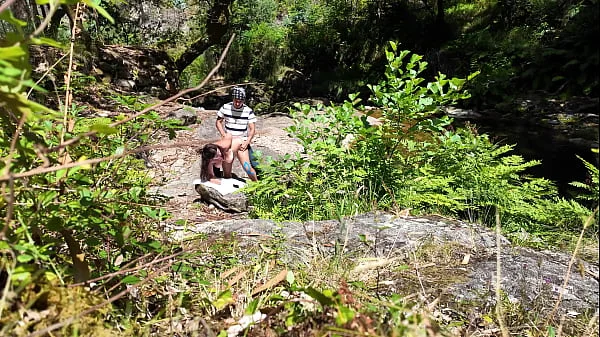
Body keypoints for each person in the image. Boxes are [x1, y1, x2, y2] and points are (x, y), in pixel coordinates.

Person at [216, 86, 259, 181]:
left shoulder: (248, 111)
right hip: (229, 140)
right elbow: (218, 122)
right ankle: (227, 178)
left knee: (247, 168)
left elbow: (252, 129)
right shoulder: (225, 107)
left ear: (243, 100)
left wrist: (247, 141)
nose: (238, 103)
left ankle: (257, 184)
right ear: (233, 99)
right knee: (228, 158)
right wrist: (223, 134)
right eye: (236, 100)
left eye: (240, 101)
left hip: (242, 141)